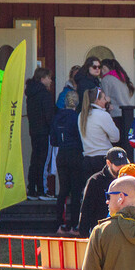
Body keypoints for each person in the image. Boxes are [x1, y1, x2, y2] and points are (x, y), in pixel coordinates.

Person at [51, 89, 85, 236]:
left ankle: (60, 224)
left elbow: (53, 141)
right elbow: (82, 138)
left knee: (63, 191)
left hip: (62, 155)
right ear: (76, 103)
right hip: (75, 154)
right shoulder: (77, 118)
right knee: (76, 191)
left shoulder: (57, 117)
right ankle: (74, 225)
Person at [77, 147, 130, 238]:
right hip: (101, 233)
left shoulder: (129, 180)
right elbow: (86, 210)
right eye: (118, 165)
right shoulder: (95, 181)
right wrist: (84, 235)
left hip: (124, 231)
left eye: (124, 164)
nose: (122, 168)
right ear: (108, 163)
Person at [25, 67, 56, 200]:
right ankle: (42, 190)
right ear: (42, 78)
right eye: (49, 78)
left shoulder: (31, 93)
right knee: (43, 161)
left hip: (34, 131)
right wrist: (53, 129)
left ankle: (32, 189)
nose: (51, 80)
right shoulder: (45, 94)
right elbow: (49, 115)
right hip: (45, 132)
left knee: (35, 160)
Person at [79, 88, 121, 179]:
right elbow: (116, 137)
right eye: (104, 98)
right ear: (97, 100)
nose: (106, 101)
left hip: (87, 159)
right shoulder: (103, 115)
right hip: (102, 159)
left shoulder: (81, 115)